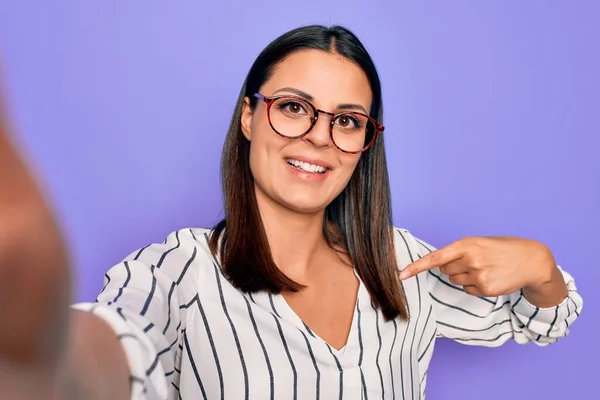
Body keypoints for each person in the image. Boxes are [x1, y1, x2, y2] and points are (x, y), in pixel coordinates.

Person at [0, 25, 583, 400]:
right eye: (294, 108)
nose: (319, 137)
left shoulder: (400, 262)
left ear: (366, 142)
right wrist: (40, 349)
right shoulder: (179, 272)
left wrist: (541, 267)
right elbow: (107, 352)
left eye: (347, 120)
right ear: (249, 116)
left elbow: (543, 321)